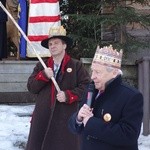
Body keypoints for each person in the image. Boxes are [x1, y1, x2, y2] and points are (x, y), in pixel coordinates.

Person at [26, 26, 91, 150]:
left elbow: (86, 87)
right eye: (50, 44)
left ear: (64, 46)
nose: (52, 46)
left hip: (65, 118)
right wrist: (43, 76)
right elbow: (31, 87)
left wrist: (68, 95)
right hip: (42, 117)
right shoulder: (42, 66)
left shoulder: (76, 66)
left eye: (56, 43)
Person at [68, 45, 143, 150]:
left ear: (114, 73)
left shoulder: (131, 96)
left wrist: (91, 123)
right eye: (92, 71)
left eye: (98, 72)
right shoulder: (91, 89)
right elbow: (75, 128)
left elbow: (129, 135)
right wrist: (78, 118)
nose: (92, 76)